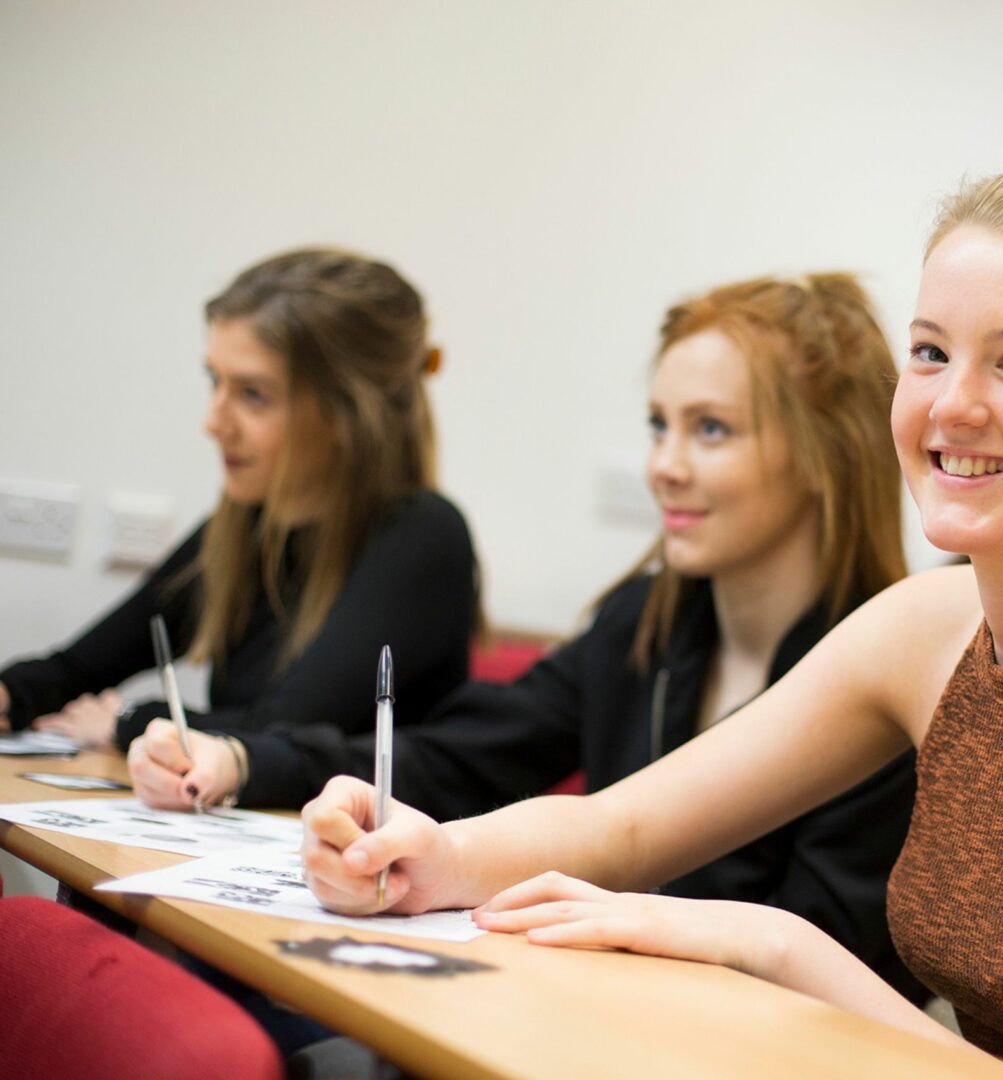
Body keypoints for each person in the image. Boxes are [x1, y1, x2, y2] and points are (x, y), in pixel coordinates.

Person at [301, 173, 1003, 1077]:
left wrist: (767, 942)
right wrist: (421, 855)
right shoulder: (931, 624)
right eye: (932, 352)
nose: (952, 405)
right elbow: (621, 827)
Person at [130, 273, 925, 1001]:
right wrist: (247, 760)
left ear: (827, 454)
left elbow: (826, 967)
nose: (663, 465)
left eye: (711, 430)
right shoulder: (639, 624)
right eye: (659, 426)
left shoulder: (892, 675)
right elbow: (461, 754)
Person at [0, 249, 479, 762]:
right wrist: (13, 694)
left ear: (347, 414)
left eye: (252, 394)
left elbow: (280, 732)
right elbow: (76, 671)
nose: (213, 422)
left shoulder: (423, 535)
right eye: (215, 381)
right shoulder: (247, 524)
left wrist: (127, 720)